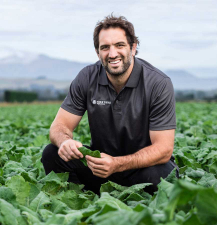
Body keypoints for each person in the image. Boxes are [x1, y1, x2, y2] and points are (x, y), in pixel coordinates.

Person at [41, 14, 179, 195]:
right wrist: (65, 141)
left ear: (133, 47)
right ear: (98, 53)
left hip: (141, 167)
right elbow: (59, 127)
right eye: (105, 47)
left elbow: (164, 149)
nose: (112, 54)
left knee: (163, 176)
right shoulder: (87, 77)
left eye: (120, 45)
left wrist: (117, 164)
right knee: (52, 153)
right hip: (100, 167)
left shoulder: (158, 83)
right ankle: (77, 201)